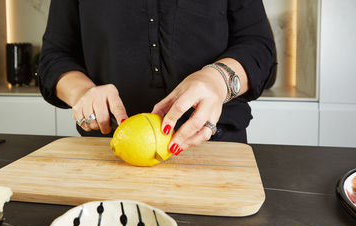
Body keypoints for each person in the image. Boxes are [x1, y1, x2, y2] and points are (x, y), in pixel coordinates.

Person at [38, 0, 276, 156]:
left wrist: (218, 79)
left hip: (216, 147)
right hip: (107, 151)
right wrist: (82, 92)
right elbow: (55, 56)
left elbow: (258, 46)